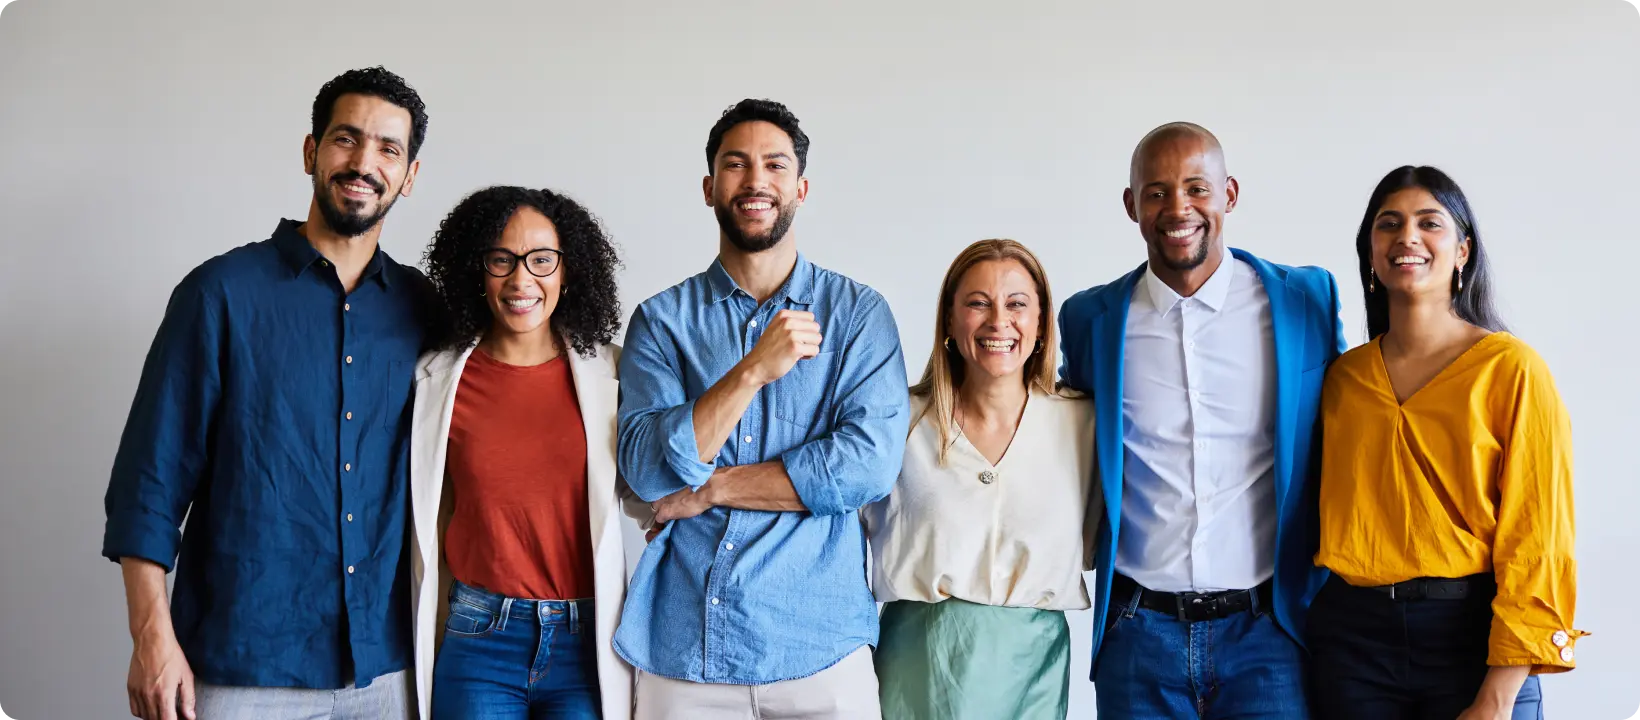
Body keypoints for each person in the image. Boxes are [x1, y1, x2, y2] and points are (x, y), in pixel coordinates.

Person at [102, 66, 430, 720]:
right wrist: (151, 639)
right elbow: (149, 484)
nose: (363, 162)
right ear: (312, 151)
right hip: (239, 665)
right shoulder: (220, 294)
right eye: (346, 139)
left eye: (388, 149)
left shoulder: (424, 311)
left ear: (409, 176)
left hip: (384, 673)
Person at [614, 98, 909, 720]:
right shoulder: (661, 321)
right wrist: (752, 370)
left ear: (800, 187)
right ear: (708, 187)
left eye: (775, 165)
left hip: (820, 649)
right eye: (736, 164)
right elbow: (647, 472)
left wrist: (713, 487)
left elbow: (866, 467)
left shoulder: (858, 315)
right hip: (684, 652)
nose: (756, 181)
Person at [1058, 122, 1345, 719]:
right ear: (1131, 204)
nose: (1178, 208)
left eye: (1196, 188)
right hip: (1139, 633)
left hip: (1270, 632)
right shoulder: (1090, 319)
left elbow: (1346, 429)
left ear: (1229, 194)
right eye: (1157, 192)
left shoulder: (1304, 301)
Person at [1308, 166, 1582, 719]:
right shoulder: (1344, 378)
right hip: (1352, 648)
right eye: (1389, 225)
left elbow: (1539, 542)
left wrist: (1497, 698)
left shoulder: (1511, 370)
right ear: (1370, 253)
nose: (1407, 237)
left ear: (1462, 251)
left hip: (1474, 641)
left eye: (1429, 223)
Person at [410, 186, 642, 719]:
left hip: (588, 639)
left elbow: (650, 497)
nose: (521, 280)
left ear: (568, 271)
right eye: (501, 260)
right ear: (477, 270)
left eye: (541, 260)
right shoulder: (435, 379)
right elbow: (438, 515)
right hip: (477, 638)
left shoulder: (616, 372)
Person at [864, 239, 1097, 720]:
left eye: (1016, 304)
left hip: (1033, 665)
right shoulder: (898, 422)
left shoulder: (1083, 425)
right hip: (917, 661)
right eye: (977, 303)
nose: (999, 321)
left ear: (1040, 322)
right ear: (949, 320)